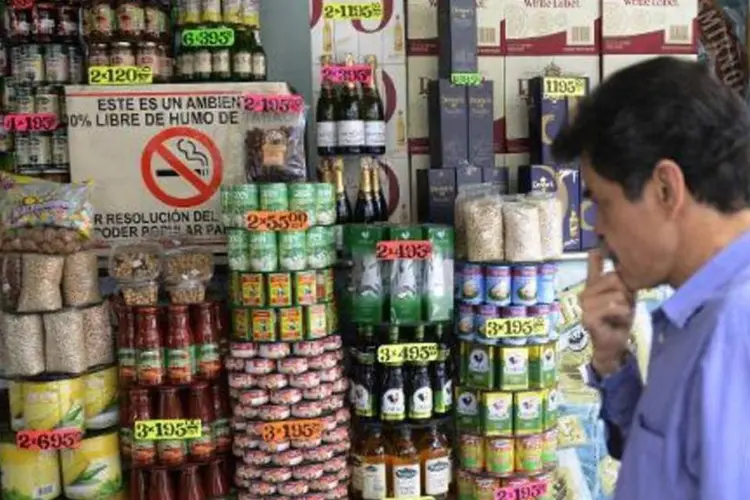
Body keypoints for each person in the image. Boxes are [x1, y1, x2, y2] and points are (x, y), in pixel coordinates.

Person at [551, 56, 750, 499]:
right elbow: (672, 465)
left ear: (666, 188)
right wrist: (612, 360)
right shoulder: (696, 313)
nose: (598, 228)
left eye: (604, 203)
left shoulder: (736, 326)